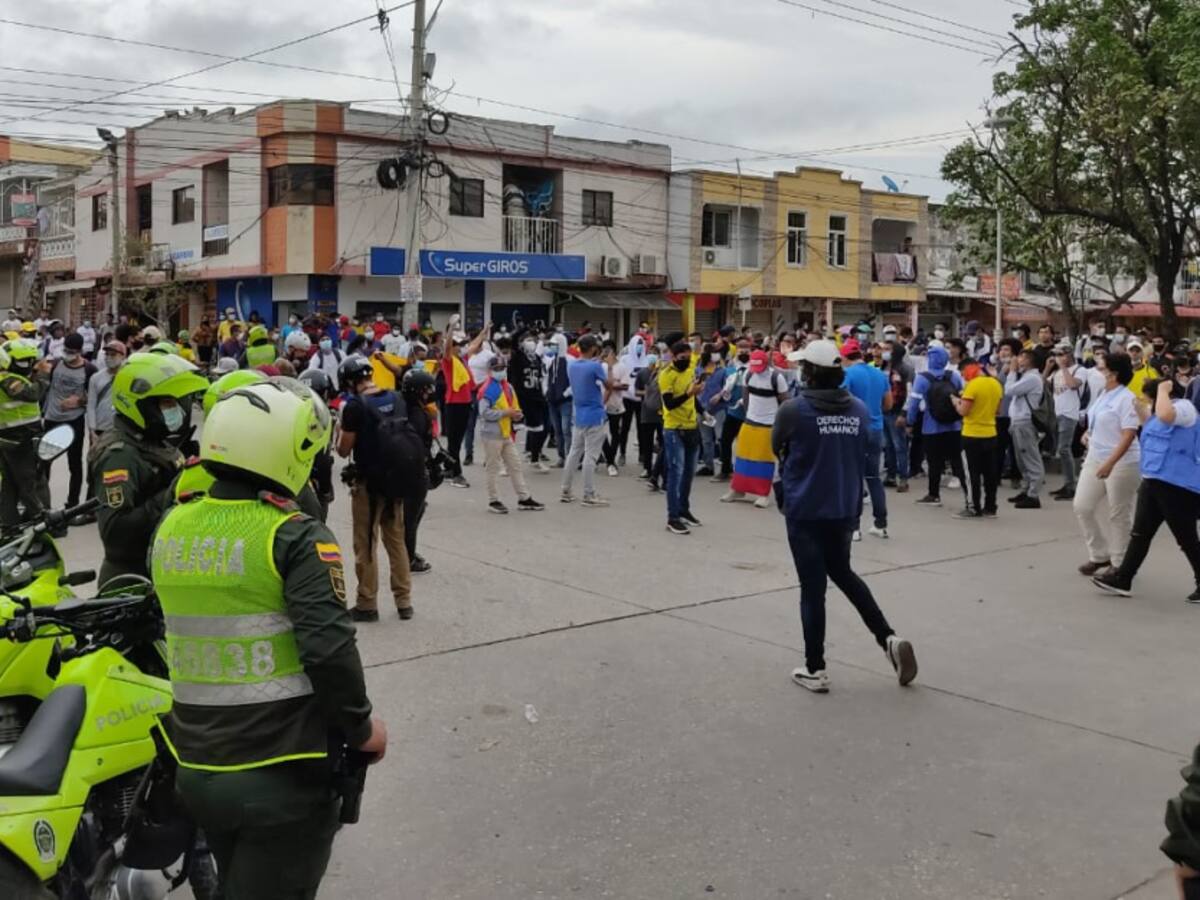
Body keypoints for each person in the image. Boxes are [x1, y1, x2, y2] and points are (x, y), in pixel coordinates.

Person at [151, 379, 385, 900]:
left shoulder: (172, 526)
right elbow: (327, 649)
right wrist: (363, 727)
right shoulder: (293, 535)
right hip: (280, 776)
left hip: (197, 768)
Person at [775, 340, 917, 694]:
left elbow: (775, 446)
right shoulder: (855, 409)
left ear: (809, 372)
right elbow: (866, 448)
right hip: (844, 506)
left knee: (812, 589)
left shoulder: (794, 410)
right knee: (843, 572)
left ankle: (815, 668)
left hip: (805, 508)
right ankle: (887, 637)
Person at [90, 352, 208, 586]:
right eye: (166, 403)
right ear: (138, 404)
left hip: (160, 567)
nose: (175, 410)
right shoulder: (120, 455)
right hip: (132, 580)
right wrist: (173, 492)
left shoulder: (151, 438)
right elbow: (116, 534)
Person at [1092, 378, 1200, 601]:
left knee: (1186, 538)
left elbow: (1165, 416)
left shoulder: (1185, 408)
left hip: (1176, 485)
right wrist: (1139, 409)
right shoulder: (1160, 410)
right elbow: (1152, 425)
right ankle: (1123, 578)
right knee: (1140, 533)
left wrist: (1162, 389)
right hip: (1154, 480)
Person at [336, 356, 414, 622]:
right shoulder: (396, 397)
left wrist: (340, 428)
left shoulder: (355, 406)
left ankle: (367, 603)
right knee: (396, 540)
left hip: (368, 484)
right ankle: (404, 601)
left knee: (366, 544)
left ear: (348, 380)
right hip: (396, 480)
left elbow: (344, 449)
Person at [1073, 352, 1141, 577]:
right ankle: (1099, 554)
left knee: (1119, 514)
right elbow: (1098, 419)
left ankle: (1120, 564)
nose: (1097, 372)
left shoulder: (1127, 399)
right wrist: (1089, 433)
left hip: (1123, 462)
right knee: (1082, 506)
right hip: (1095, 457)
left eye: (1101, 369)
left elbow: (1129, 434)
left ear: (1114, 373)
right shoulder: (1103, 393)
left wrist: (1111, 463)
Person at [477, 356, 545, 514]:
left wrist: (516, 414)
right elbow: (484, 413)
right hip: (492, 434)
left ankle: (524, 498)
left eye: (503, 368)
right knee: (493, 468)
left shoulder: (507, 387)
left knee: (515, 465)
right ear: (490, 371)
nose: (501, 371)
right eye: (497, 369)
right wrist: (505, 413)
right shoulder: (487, 389)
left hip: (506, 433)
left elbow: (513, 406)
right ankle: (493, 500)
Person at [723, 349, 788, 509]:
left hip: (769, 425)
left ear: (767, 363)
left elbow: (785, 402)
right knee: (741, 457)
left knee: (764, 461)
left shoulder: (776, 377)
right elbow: (746, 397)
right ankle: (738, 489)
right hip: (750, 421)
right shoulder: (749, 374)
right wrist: (748, 414)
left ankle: (762, 494)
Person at [904, 344, 966, 508]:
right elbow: (962, 396)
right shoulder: (953, 375)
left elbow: (914, 403)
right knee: (957, 459)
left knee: (934, 462)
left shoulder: (922, 378)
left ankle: (934, 495)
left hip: (931, 426)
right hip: (954, 425)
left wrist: (910, 422)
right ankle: (969, 495)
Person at [840, 339, 891, 539]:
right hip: (876, 429)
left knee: (853, 479)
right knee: (873, 478)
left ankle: (854, 527)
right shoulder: (879, 374)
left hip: (854, 429)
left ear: (844, 357)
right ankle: (881, 524)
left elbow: (842, 400)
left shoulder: (847, 374)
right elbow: (888, 404)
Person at [39, 332, 94, 509]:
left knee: (75, 464)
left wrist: (79, 401)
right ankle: (42, 504)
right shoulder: (55, 365)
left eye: (71, 351)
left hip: (74, 421)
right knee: (44, 462)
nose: (68, 354)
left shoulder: (89, 370)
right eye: (66, 350)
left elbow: (94, 396)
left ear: (79, 351)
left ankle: (72, 505)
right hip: (52, 419)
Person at [0, 340, 49, 532]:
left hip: (13, 438)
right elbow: (31, 394)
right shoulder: (7, 379)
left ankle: (9, 523)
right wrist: (43, 375)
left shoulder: (12, 376)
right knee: (30, 482)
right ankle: (43, 520)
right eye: (24, 361)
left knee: (10, 483)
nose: (28, 365)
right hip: (18, 440)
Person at [561, 334, 614, 508]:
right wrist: (610, 367)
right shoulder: (596, 366)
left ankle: (566, 490)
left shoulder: (573, 365)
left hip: (579, 414)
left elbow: (587, 372)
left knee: (574, 453)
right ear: (593, 348)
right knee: (590, 456)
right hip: (595, 415)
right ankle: (588, 494)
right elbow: (609, 386)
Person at [658, 339, 703, 534]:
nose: (686, 360)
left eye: (689, 357)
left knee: (689, 472)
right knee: (676, 472)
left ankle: (684, 510)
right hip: (674, 428)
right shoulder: (666, 375)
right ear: (674, 357)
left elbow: (693, 397)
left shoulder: (691, 368)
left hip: (692, 426)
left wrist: (704, 411)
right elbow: (669, 404)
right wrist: (689, 393)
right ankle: (672, 517)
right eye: (682, 358)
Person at [398, 368, 438, 573]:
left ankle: (407, 553)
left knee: (412, 515)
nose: (429, 393)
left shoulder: (402, 408)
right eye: (426, 390)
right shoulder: (418, 416)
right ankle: (408, 558)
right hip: (414, 471)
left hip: (403, 470)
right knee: (411, 518)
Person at [1046, 341, 1097, 501]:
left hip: (1069, 414)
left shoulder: (1079, 370)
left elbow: (1073, 385)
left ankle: (1071, 485)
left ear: (1068, 355)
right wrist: (1048, 368)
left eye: (1061, 355)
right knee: (1060, 450)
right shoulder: (1056, 372)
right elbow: (1042, 384)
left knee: (1064, 448)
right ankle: (1067, 483)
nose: (1058, 358)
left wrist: (1062, 367)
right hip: (1057, 413)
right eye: (1056, 355)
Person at [952, 360, 1003, 518]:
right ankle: (991, 506)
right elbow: (998, 411)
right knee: (990, 473)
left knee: (970, 473)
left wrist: (956, 402)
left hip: (972, 434)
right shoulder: (996, 384)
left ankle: (973, 507)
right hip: (991, 432)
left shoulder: (972, 386)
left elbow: (963, 411)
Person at [441, 333, 484, 488]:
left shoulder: (462, 360)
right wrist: (451, 329)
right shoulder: (448, 361)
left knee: (457, 440)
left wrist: (484, 332)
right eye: (457, 345)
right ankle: (456, 474)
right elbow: (446, 348)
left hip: (465, 403)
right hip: (454, 405)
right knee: (454, 441)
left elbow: (473, 346)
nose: (460, 347)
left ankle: (448, 468)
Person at [1005, 348, 1046, 509]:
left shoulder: (1033, 378)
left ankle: (1034, 494)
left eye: (1023, 357)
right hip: (1018, 421)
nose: (1019, 359)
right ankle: (1026, 489)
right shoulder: (1027, 377)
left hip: (1025, 422)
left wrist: (1012, 371)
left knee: (1030, 458)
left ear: (1030, 360)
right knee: (1021, 459)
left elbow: (1009, 390)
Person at [509, 329, 549, 473]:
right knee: (513, 429)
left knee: (544, 428)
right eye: (528, 340)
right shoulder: (517, 357)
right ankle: (504, 461)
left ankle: (534, 458)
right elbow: (513, 340)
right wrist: (522, 329)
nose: (531, 342)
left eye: (532, 340)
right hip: (522, 398)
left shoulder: (536, 358)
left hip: (537, 396)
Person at [881, 340, 911, 492]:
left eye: (887, 349)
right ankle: (891, 475)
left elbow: (910, 392)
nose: (883, 352)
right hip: (884, 411)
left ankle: (903, 478)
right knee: (888, 446)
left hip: (897, 412)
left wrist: (904, 413)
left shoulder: (905, 369)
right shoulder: (884, 367)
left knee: (899, 446)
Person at [544, 333, 573, 467]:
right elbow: (545, 377)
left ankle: (570, 457)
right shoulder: (550, 360)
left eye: (554, 345)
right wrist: (546, 391)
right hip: (552, 400)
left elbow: (575, 381)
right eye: (551, 345)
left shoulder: (570, 361)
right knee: (557, 430)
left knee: (566, 429)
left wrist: (566, 393)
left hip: (565, 401)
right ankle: (561, 457)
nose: (552, 347)